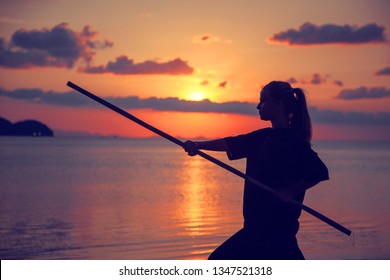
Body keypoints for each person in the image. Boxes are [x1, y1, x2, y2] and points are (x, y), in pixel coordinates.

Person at [183, 81, 329, 260]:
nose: (258, 106)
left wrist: (290, 191)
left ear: (278, 104)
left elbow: (320, 171)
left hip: (277, 231)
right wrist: (197, 146)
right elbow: (230, 143)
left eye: (263, 101)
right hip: (255, 227)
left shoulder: (294, 142)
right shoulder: (262, 137)